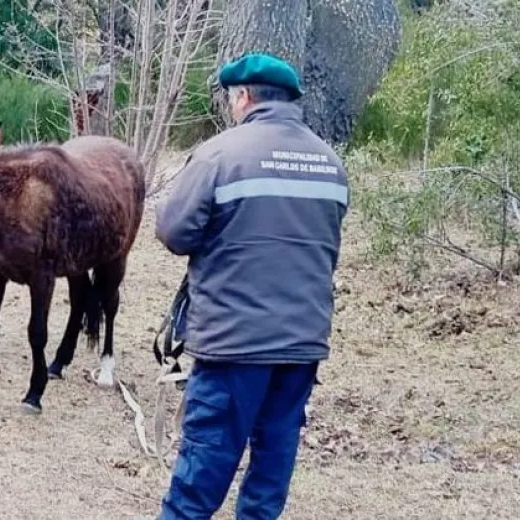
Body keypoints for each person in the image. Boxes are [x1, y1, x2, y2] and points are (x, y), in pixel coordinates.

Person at [152, 52, 350, 519]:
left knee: (195, 488)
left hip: (233, 346)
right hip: (301, 347)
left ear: (243, 97)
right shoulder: (330, 163)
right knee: (266, 487)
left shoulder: (221, 154)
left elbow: (174, 232)